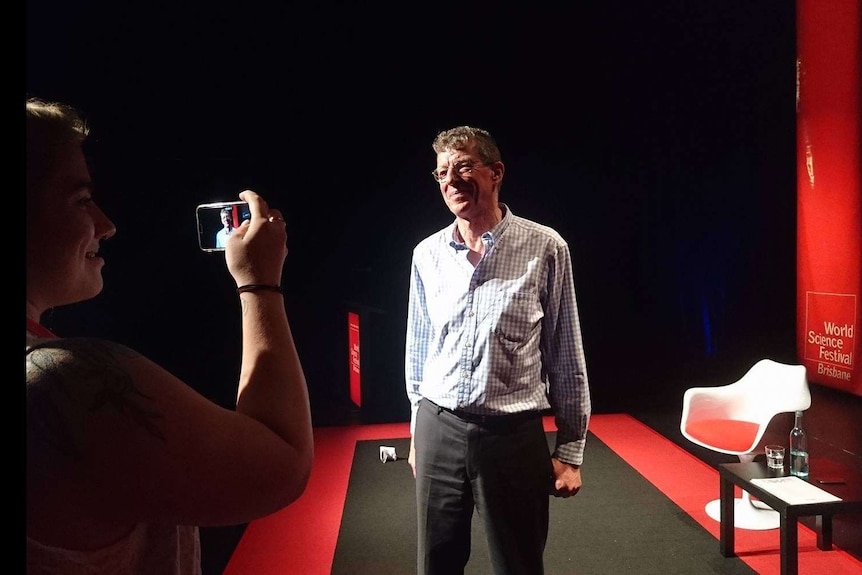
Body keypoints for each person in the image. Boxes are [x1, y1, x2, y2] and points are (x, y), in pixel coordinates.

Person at [25, 97, 314, 575]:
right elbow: (282, 460)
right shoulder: (62, 379)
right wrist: (258, 282)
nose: (106, 224)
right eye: (79, 199)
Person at [404, 125, 591, 575]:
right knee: (436, 563)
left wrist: (570, 449)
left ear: (496, 173)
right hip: (438, 427)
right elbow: (419, 349)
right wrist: (417, 431)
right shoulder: (426, 254)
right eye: (442, 172)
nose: (451, 180)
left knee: (519, 564)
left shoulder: (545, 246)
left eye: (464, 166)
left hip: (512, 436)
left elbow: (566, 353)